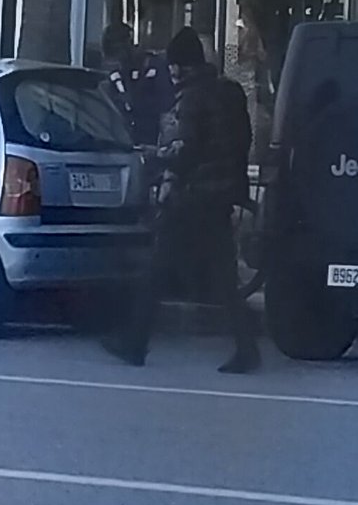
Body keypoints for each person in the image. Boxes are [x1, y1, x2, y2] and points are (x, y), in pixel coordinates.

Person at [110, 27, 261, 373]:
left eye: (174, 65)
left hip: (193, 197)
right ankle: (246, 348)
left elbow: (185, 149)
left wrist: (155, 155)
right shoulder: (227, 92)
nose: (171, 72)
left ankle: (135, 342)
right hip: (221, 194)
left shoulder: (192, 99)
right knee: (224, 278)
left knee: (158, 268)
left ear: (181, 66)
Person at [99, 21, 172, 151]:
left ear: (129, 45)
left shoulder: (154, 68)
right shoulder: (116, 75)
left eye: (118, 53)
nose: (117, 62)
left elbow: (166, 108)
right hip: (122, 143)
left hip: (152, 144)